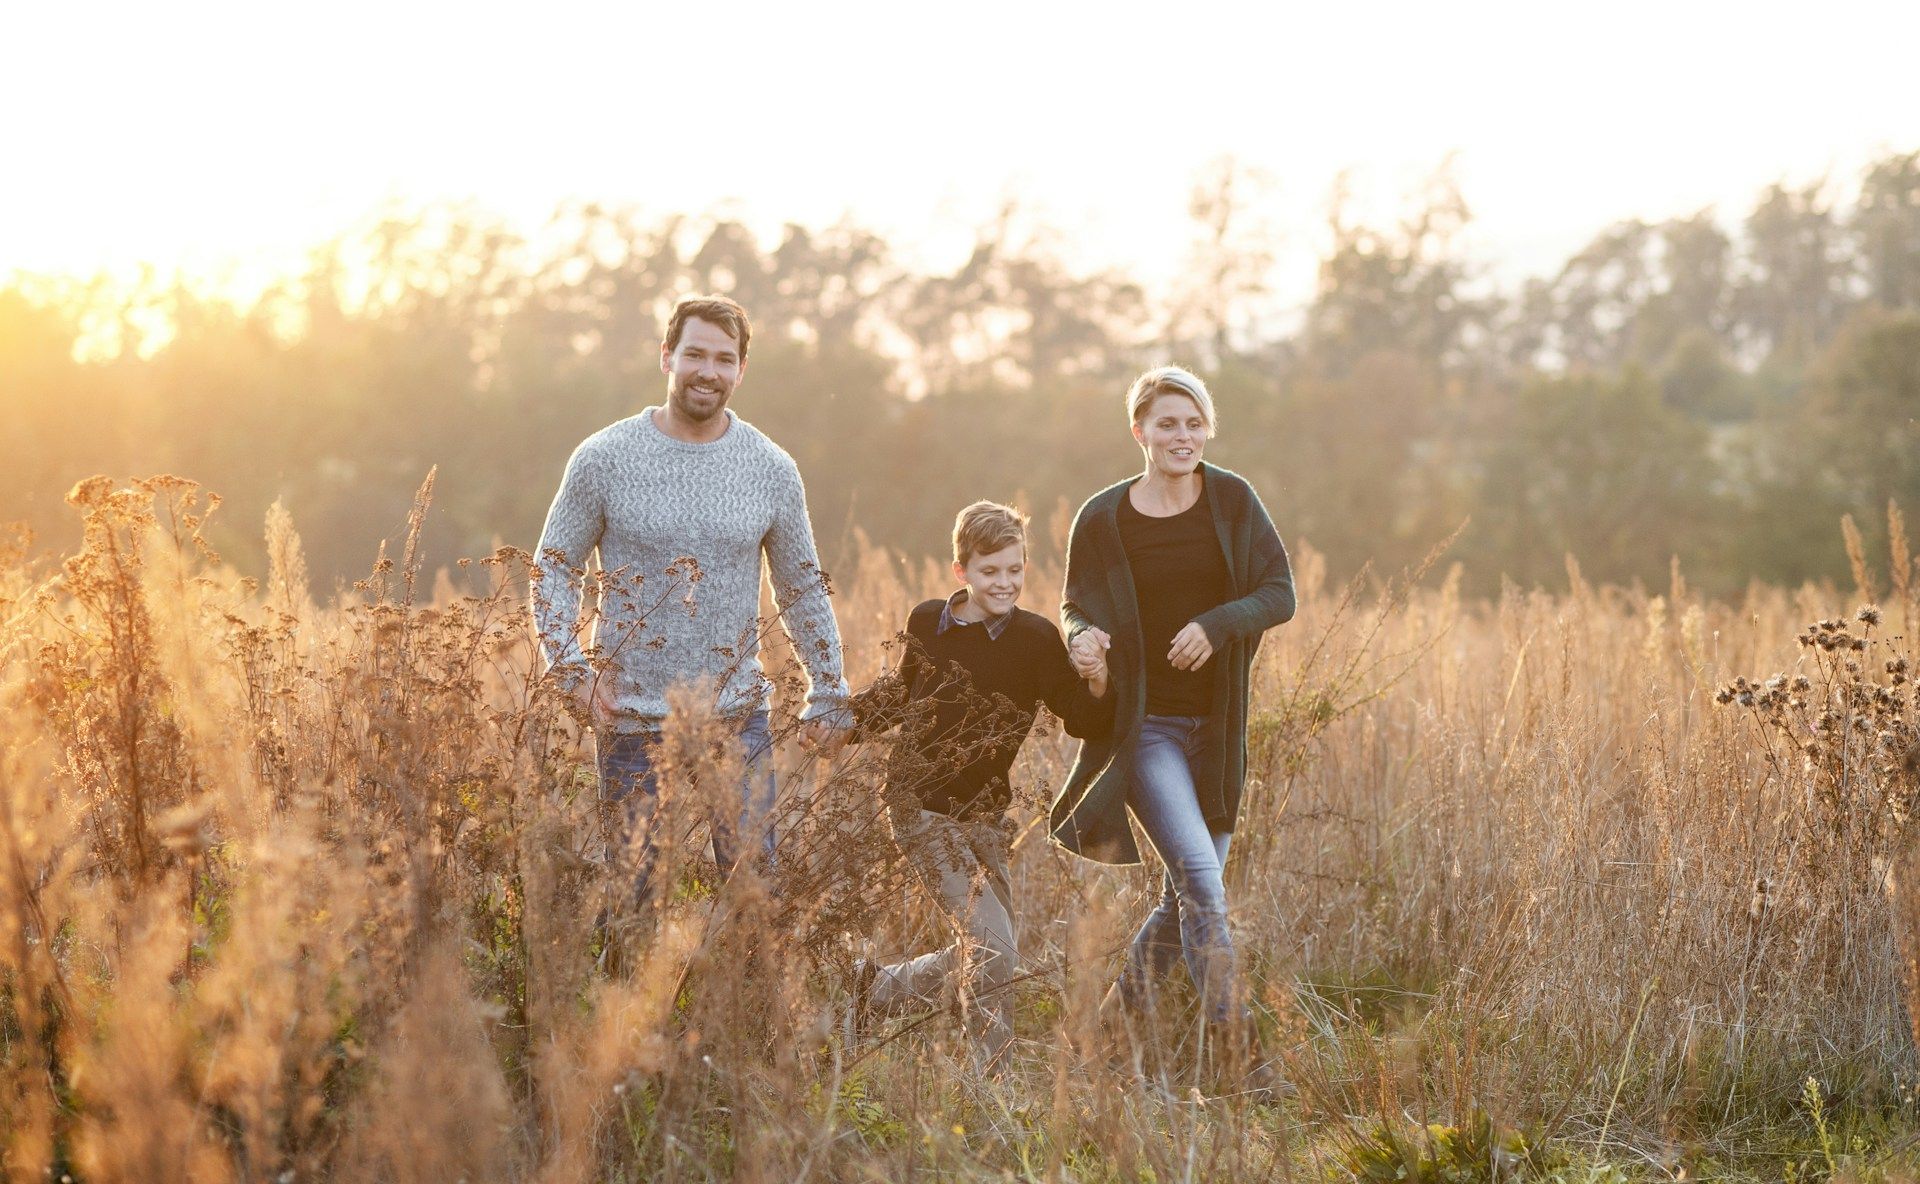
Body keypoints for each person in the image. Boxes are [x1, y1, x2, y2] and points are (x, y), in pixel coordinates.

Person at [533, 294, 851, 910]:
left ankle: (747, 1006)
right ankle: (629, 1006)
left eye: (724, 359)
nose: (709, 370)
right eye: (695, 354)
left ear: (741, 371)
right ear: (666, 357)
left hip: (737, 715)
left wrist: (830, 689)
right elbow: (553, 567)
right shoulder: (604, 459)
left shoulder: (771, 468)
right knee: (634, 902)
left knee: (756, 894)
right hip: (630, 717)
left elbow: (802, 587)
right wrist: (568, 670)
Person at [1051, 365, 1296, 1066]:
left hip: (1216, 733)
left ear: (1207, 429)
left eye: (1193, 423)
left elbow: (1279, 593)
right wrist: (1081, 637)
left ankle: (1099, 1038)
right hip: (1147, 728)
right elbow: (1077, 602)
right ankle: (1239, 1055)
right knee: (1201, 877)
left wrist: (1220, 624)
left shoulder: (1233, 501)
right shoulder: (1104, 516)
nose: (1180, 435)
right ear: (1140, 432)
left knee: (1183, 896)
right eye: (1166, 423)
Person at [850, 501, 1114, 1068]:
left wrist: (1096, 683)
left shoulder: (1037, 638)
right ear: (961, 571)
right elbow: (903, 695)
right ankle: (991, 1077)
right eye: (990, 571)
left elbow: (1079, 717)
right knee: (993, 947)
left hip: (986, 813)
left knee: (996, 951)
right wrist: (841, 724)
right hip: (918, 804)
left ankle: (873, 989)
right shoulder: (928, 621)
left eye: (1015, 570)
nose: (1005, 583)